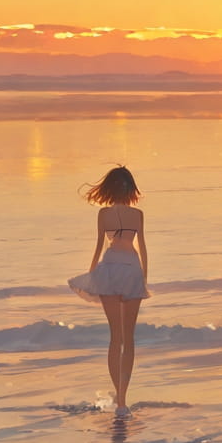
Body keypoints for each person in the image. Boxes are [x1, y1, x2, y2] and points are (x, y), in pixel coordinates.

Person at [69, 165, 148, 415]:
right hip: (132, 269)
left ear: (109, 188)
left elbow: (98, 246)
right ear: (130, 187)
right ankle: (123, 396)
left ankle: (120, 400)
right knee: (129, 339)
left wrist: (93, 275)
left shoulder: (104, 214)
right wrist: (143, 277)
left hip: (111, 269)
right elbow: (143, 248)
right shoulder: (138, 214)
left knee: (116, 339)